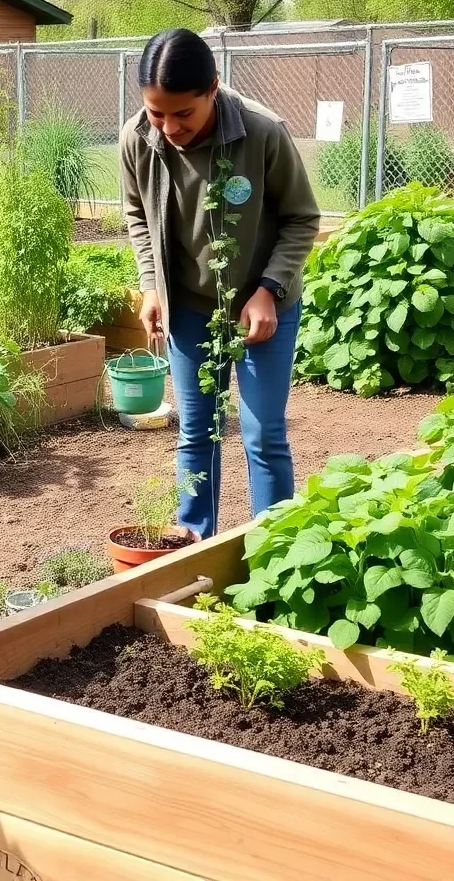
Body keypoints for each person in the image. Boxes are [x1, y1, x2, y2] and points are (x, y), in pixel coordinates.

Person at [122, 28, 320, 539]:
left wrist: (269, 289)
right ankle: (193, 541)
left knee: (263, 434)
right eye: (155, 112)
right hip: (189, 306)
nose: (168, 127)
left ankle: (274, 546)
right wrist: (152, 285)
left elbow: (302, 219)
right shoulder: (137, 139)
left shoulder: (261, 132)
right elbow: (137, 216)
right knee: (196, 431)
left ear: (213, 88)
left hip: (262, 305)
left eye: (182, 113)